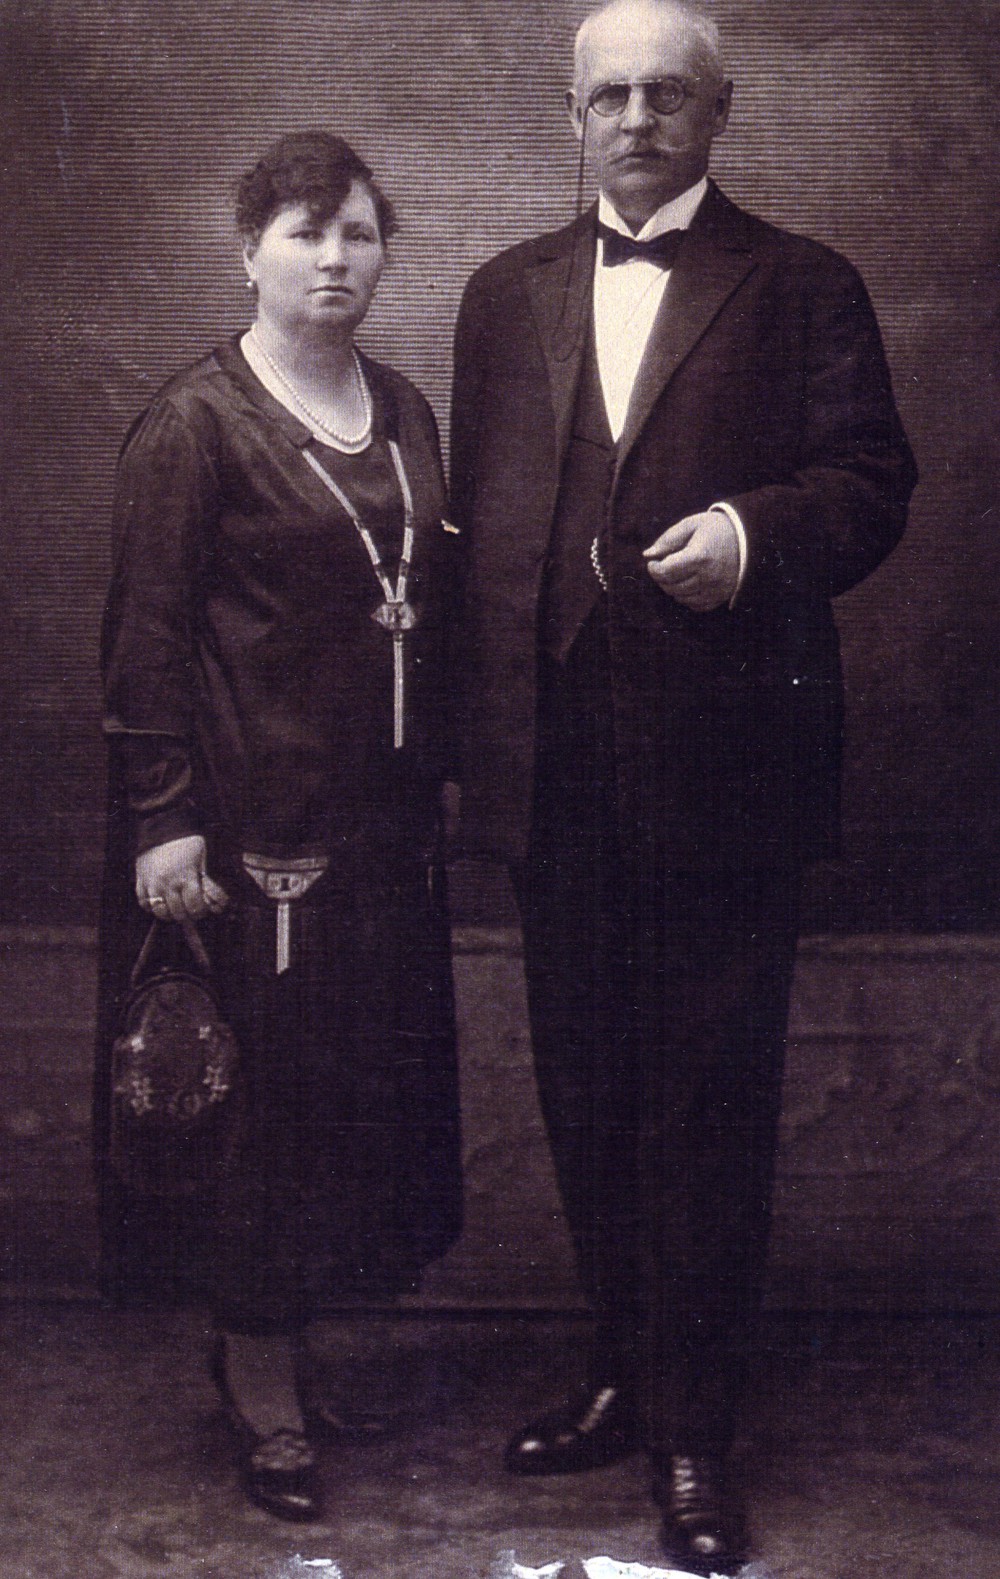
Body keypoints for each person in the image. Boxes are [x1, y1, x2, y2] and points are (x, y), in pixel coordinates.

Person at [450, 2, 917, 1570]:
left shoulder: (804, 281)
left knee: (707, 1104)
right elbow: (480, 534)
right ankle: (624, 1376)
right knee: (586, 1090)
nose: (637, 119)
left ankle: (697, 1434)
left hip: (725, 774)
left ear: (720, 113)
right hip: (549, 771)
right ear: (573, 116)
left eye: (667, 94)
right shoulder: (501, 293)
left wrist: (751, 536)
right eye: (611, 96)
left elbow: (873, 485)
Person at [96, 130, 462, 1523]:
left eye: (359, 233)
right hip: (247, 837)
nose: (334, 258)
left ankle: (293, 1346)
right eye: (305, 233)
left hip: (379, 830)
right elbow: (144, 639)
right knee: (263, 1107)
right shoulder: (194, 424)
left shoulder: (405, 409)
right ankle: (258, 1378)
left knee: (352, 1094)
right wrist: (164, 821)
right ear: (245, 250)